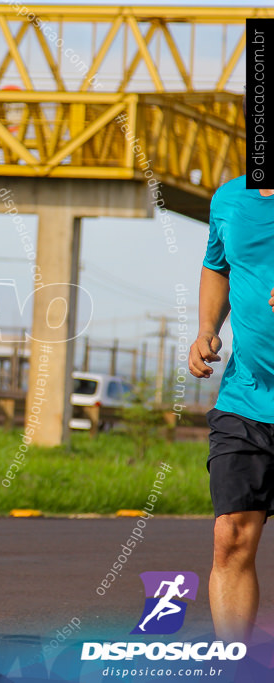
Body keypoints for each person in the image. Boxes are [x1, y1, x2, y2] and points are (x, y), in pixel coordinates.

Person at [188, 174, 274, 643]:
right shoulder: (229, 198)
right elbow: (217, 265)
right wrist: (206, 327)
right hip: (246, 399)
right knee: (231, 538)